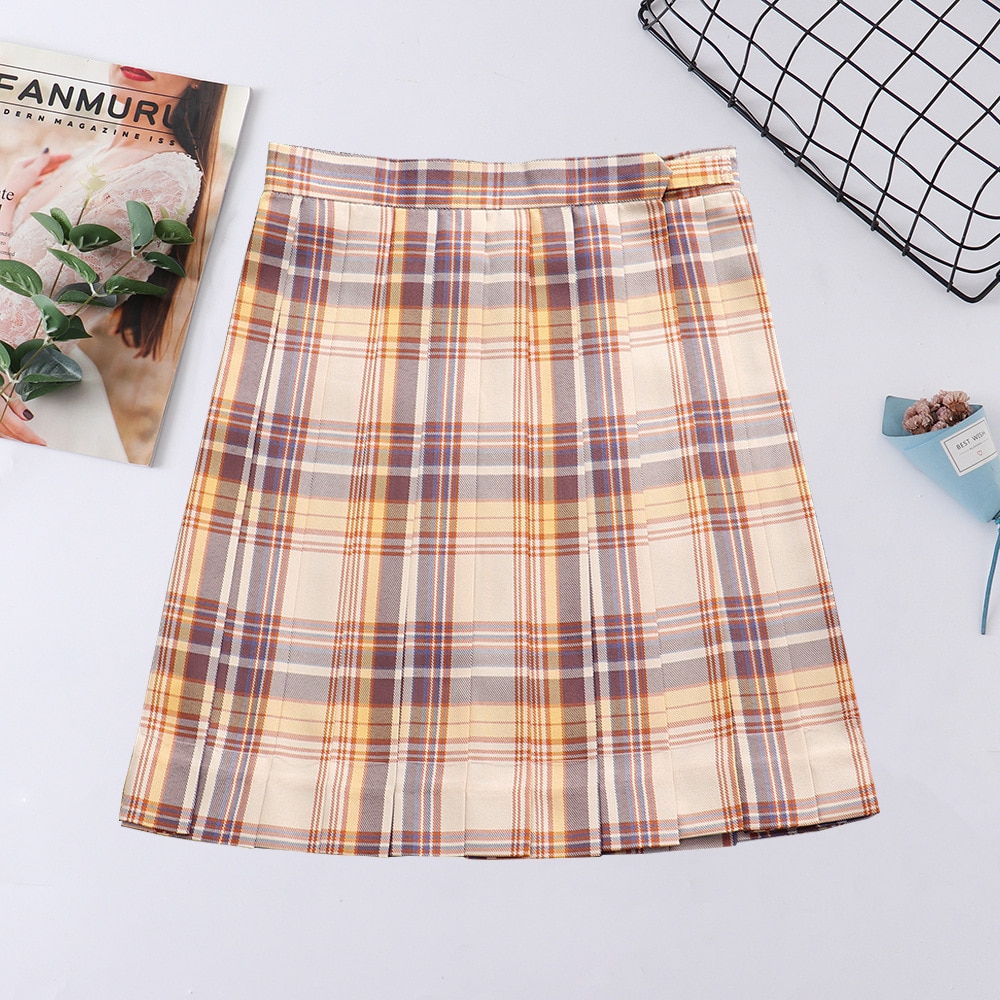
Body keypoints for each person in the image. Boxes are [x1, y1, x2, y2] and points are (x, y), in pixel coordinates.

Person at [0, 65, 225, 462]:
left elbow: (27, 311)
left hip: (16, 386)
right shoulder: (95, 150)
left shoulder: (166, 176)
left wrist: (6, 200)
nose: (142, 58)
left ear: (200, 76)